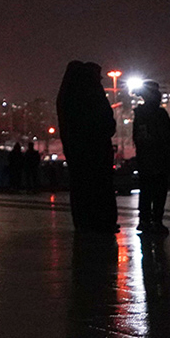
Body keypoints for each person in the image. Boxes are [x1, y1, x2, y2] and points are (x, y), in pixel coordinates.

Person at [57, 61, 118, 232]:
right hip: (97, 151)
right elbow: (106, 122)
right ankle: (103, 221)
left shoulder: (66, 96)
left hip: (76, 151)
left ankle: (84, 222)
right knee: (100, 187)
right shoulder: (92, 93)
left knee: (80, 188)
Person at [133, 81, 170, 234]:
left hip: (146, 158)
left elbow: (138, 138)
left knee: (146, 190)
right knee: (159, 191)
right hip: (159, 157)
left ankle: (145, 220)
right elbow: (168, 136)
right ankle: (156, 220)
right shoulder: (160, 114)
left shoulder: (140, 114)